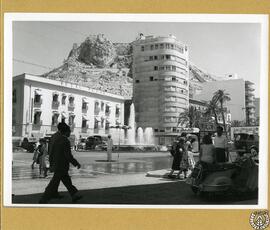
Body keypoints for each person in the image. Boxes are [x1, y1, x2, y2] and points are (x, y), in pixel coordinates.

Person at [39, 123, 82, 204]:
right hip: (61, 165)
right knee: (54, 182)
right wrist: (76, 163)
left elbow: (50, 151)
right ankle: (44, 198)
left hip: (55, 163)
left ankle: (73, 195)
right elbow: (68, 155)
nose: (70, 133)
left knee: (66, 180)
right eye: (69, 132)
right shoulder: (65, 140)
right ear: (65, 131)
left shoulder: (54, 137)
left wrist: (51, 163)